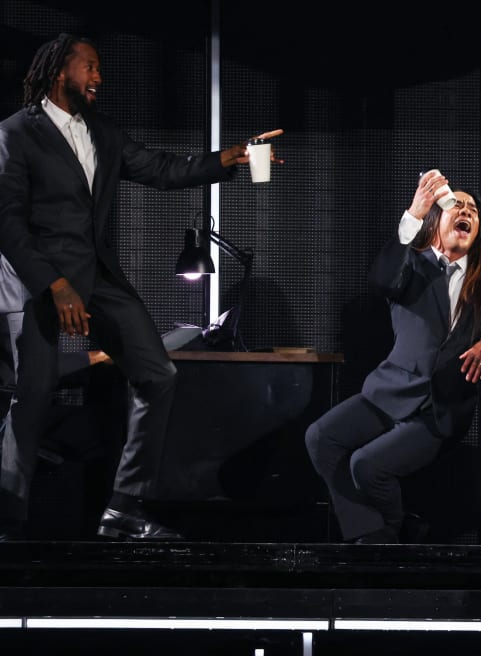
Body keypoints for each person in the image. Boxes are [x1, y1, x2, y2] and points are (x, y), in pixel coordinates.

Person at [0, 32, 282, 541]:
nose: (99, 77)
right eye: (90, 67)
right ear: (59, 71)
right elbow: (8, 224)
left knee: (158, 375)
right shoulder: (16, 133)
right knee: (35, 393)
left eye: (99, 69)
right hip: (36, 280)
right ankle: (9, 521)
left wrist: (230, 158)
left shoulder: (103, 131)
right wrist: (55, 284)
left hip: (96, 277)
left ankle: (123, 507)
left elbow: (161, 168)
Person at [304, 170, 481, 544]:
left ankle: (386, 533)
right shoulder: (411, 263)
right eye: (456, 205)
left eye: (473, 210)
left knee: (367, 466)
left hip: (441, 407)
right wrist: (414, 213)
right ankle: (376, 534)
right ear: (435, 220)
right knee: (321, 437)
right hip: (390, 392)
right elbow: (381, 281)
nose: (465, 211)